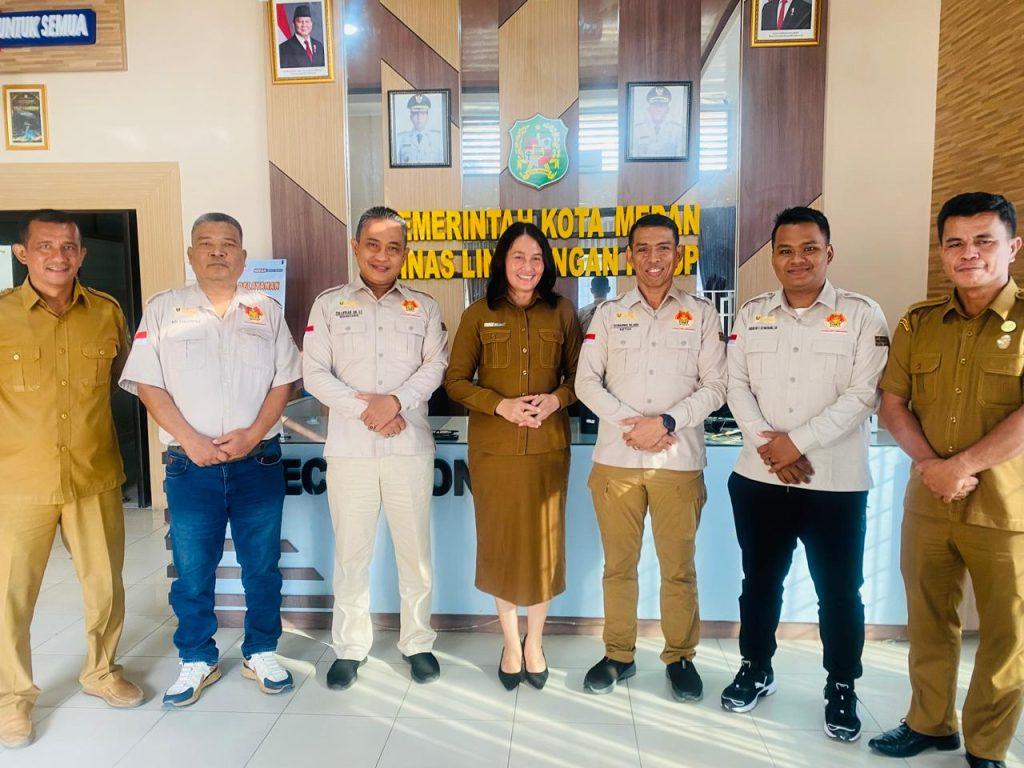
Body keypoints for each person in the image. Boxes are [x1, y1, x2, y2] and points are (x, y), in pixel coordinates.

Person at [721, 207, 890, 742]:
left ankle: (841, 684)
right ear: (773, 258)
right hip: (759, 479)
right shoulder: (751, 314)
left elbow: (863, 395)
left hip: (834, 485)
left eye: (810, 248)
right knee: (759, 583)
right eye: (786, 250)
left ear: (828, 253)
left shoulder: (863, 315)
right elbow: (735, 386)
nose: (798, 259)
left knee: (839, 592)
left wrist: (795, 443)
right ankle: (756, 667)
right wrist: (771, 446)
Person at [119, 213, 301, 707]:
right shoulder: (163, 309)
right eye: (206, 243)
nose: (218, 252)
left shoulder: (266, 309)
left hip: (257, 462)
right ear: (191, 254)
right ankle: (197, 656)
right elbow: (147, 383)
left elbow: (285, 380)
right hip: (189, 464)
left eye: (228, 244)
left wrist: (253, 434)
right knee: (193, 569)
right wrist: (192, 440)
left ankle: (260, 650)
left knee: (261, 565)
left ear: (243, 256)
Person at [870, 192, 1024, 768]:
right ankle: (930, 723)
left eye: (984, 240)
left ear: (1013, 247)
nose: (969, 253)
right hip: (930, 504)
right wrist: (933, 468)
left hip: (1007, 510)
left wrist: (962, 467)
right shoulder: (919, 322)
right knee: (930, 620)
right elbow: (893, 403)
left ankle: (987, 745)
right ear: (942, 252)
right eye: (955, 243)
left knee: (1008, 634)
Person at [0, 210, 143, 749]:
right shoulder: (2, 315)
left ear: (81, 255)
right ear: (23, 253)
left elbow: (128, 378)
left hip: (94, 475)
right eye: (45, 246)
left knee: (105, 585)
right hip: (19, 481)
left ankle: (101, 671)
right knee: (11, 595)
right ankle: (12, 699)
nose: (57, 257)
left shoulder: (106, 312)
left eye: (68, 247)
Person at [575, 213, 727, 700]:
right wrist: (634, 425)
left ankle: (680, 656)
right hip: (616, 460)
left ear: (678, 254)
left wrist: (665, 423)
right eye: (642, 248)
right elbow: (585, 383)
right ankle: (618, 655)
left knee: (678, 568)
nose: (653, 258)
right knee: (618, 566)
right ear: (629, 256)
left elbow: (717, 386)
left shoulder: (702, 314)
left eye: (663, 248)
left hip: (677, 462)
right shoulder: (608, 314)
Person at [303, 206, 448, 689]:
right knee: (351, 554)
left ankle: (418, 642)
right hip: (350, 450)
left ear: (405, 253)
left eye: (393, 247)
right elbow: (314, 373)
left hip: (408, 447)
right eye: (373, 245)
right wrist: (368, 411)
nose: (382, 256)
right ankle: (350, 647)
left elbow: (435, 367)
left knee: (415, 553)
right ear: (356, 247)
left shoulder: (424, 307)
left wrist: (395, 403)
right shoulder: (329, 305)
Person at [445, 221, 582, 691]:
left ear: (546, 265)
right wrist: (499, 405)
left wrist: (556, 400)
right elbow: (455, 381)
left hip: (547, 451)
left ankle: (535, 642)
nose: (528, 266)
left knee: (544, 548)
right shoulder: (478, 314)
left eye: (536, 258)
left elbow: (579, 379)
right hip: (495, 453)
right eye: (518, 257)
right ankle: (509, 642)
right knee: (501, 547)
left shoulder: (562, 312)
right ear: (503, 261)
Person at [630, 86, 684, 159]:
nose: (658, 110)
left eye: (661, 106)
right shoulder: (637, 130)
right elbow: (633, 157)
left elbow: (681, 158)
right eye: (655, 106)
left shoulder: (677, 130)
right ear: (649, 109)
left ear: (667, 109)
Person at [395, 94, 444, 165]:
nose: (419, 117)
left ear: (427, 117)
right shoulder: (401, 139)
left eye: (423, 113)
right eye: (415, 113)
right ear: (411, 117)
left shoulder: (438, 139)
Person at [278, 4, 325, 69]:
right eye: (300, 21)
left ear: (311, 23)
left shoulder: (319, 46)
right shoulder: (283, 49)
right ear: (293, 24)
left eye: (307, 21)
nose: (304, 25)